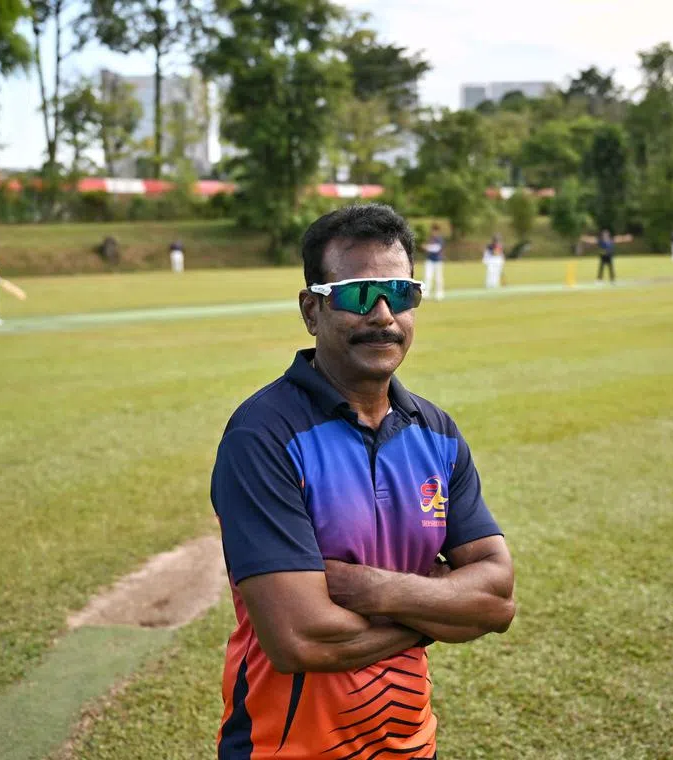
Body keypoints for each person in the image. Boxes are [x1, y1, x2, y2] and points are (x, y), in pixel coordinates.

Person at [210, 204, 515, 759]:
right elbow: (300, 638)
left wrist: (367, 588)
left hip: (413, 746)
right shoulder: (262, 436)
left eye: (400, 293)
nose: (382, 315)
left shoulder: (437, 433)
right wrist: (444, 608)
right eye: (355, 294)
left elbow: (496, 597)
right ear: (312, 309)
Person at [422, 224, 446, 301]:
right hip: (429, 260)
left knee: (438, 278)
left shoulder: (439, 239)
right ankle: (426, 293)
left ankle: (439, 294)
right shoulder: (430, 238)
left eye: (434, 231)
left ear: (437, 231)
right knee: (427, 277)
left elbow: (437, 249)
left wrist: (427, 247)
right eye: (432, 231)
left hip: (438, 261)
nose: (433, 232)